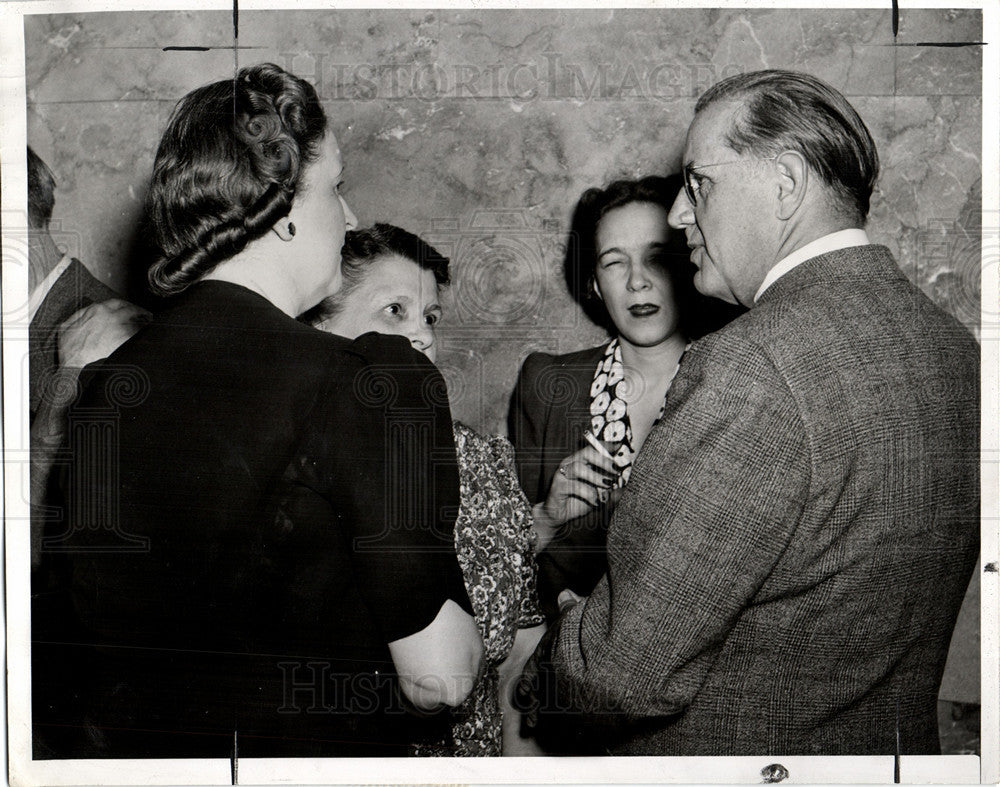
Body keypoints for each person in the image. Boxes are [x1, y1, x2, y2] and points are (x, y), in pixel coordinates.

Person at [523, 69, 979, 755]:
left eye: (699, 183)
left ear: (787, 183)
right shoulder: (952, 346)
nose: (680, 213)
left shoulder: (750, 364)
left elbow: (620, 673)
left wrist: (563, 634)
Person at [33, 63, 482, 759]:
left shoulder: (104, 387)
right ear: (283, 214)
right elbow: (443, 678)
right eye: (336, 187)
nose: (351, 217)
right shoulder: (360, 381)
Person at [303, 223, 546, 756]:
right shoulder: (299, 471)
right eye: (396, 311)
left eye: (430, 317)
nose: (425, 336)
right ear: (320, 331)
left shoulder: (485, 461)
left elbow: (522, 649)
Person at [507, 176, 691, 620]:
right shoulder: (546, 382)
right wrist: (548, 517)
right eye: (614, 262)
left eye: (658, 258)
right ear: (592, 282)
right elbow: (501, 567)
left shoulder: (739, 383)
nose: (638, 282)